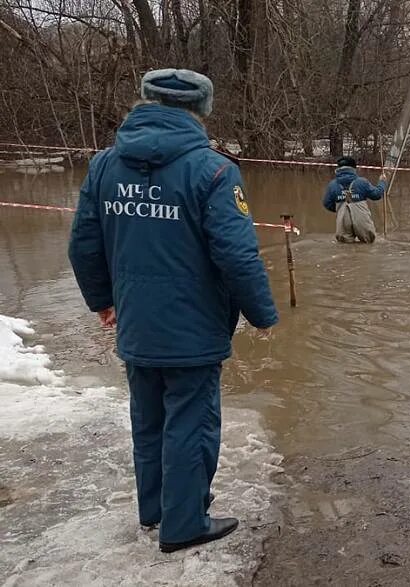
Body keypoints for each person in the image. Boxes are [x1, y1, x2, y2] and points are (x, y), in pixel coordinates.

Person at [68, 68, 279, 553]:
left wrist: (102, 300)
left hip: (137, 324)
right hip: (194, 326)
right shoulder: (215, 171)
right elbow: (237, 254)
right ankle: (184, 524)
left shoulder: (104, 166)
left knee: (148, 420)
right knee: (191, 422)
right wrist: (261, 313)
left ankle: (155, 511)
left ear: (145, 101)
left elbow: (83, 244)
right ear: (201, 112)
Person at [322, 156, 388, 243]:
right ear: (354, 168)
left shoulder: (332, 185)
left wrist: (340, 208)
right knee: (368, 245)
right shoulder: (362, 182)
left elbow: (326, 203)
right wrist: (382, 182)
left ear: (338, 169)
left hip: (343, 220)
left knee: (344, 248)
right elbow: (377, 195)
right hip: (361, 219)